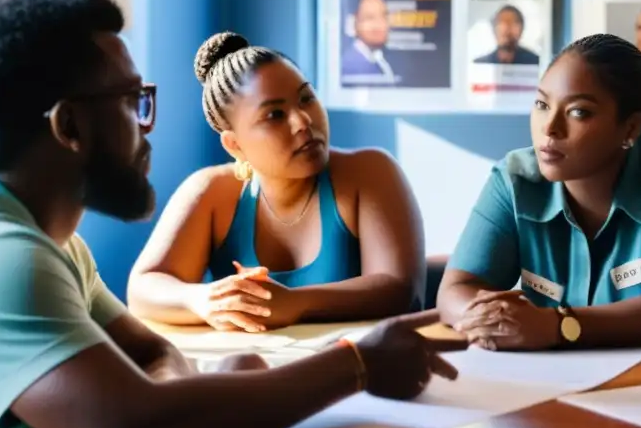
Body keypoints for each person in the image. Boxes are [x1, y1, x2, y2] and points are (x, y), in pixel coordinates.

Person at [0, 0, 456, 428]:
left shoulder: (57, 249)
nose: (147, 127)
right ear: (69, 126)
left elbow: (152, 353)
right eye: (132, 102)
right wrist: (356, 366)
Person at [438, 33, 641, 350]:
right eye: (541, 104)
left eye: (578, 112)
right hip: (557, 379)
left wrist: (557, 325)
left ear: (631, 127)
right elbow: (456, 290)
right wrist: (489, 318)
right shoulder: (513, 179)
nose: (550, 128)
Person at [128, 31, 425, 331]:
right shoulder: (212, 192)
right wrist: (203, 299)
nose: (303, 121)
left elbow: (400, 290)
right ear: (235, 145)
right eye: (275, 114)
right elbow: (142, 289)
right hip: (257, 374)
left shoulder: (370, 172)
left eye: (307, 98)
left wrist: (295, 303)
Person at [341, 0, 397, 84]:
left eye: (384, 16)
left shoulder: (383, 59)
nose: (379, 24)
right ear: (355, 23)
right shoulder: (349, 66)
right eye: (370, 18)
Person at [473, 4, 540, 65]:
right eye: (502, 23)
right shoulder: (480, 64)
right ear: (494, 30)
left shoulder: (535, 62)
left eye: (513, 23)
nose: (507, 29)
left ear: (522, 29)